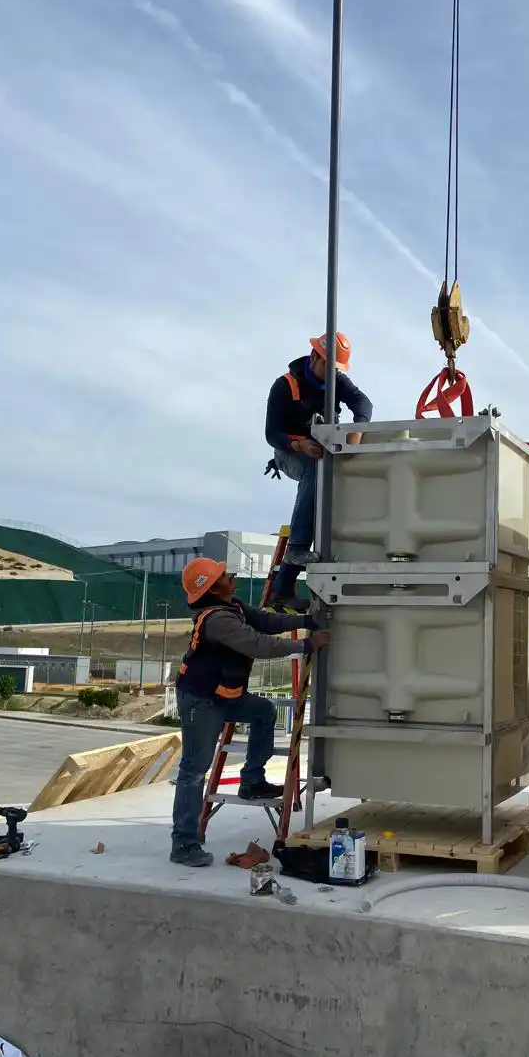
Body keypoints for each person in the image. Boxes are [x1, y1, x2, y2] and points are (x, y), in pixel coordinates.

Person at [171, 556, 330, 868]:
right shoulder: (218, 620)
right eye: (223, 574)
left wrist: (305, 622)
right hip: (201, 701)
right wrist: (307, 645)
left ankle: (251, 780)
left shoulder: (235, 607)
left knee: (263, 712)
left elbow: (267, 622)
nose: (230, 575)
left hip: (223, 695)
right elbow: (259, 644)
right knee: (193, 772)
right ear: (214, 589)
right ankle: (184, 843)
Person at [265, 332, 372, 602]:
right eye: (329, 365)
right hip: (289, 452)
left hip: (320, 450)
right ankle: (299, 548)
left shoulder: (336, 380)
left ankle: (283, 590)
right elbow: (272, 434)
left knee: (327, 485)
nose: (332, 373)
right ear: (314, 357)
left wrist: (357, 430)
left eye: (336, 368)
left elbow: (363, 403)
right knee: (314, 473)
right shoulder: (285, 386)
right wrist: (300, 446)